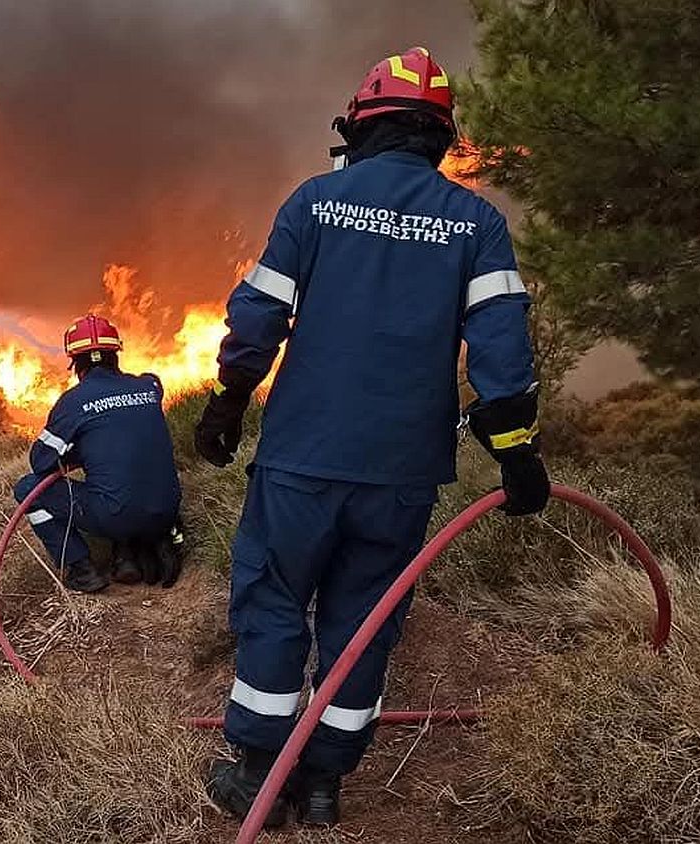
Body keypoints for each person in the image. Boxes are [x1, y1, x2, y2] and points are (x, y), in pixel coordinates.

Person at [194, 47, 550, 828]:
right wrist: (516, 449)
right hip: (401, 473)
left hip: (301, 460)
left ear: (361, 125)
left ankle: (258, 772)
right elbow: (501, 348)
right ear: (439, 138)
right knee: (365, 622)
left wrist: (227, 400)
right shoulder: (476, 222)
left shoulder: (316, 204)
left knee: (275, 600)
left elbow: (259, 319)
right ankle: (323, 783)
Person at [14, 314, 186, 593]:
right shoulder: (149, 387)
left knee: (28, 489)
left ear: (75, 365)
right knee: (118, 475)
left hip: (116, 514)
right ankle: (130, 552)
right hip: (167, 509)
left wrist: (79, 450)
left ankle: (82, 570)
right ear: (115, 355)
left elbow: (40, 462)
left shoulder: (73, 402)